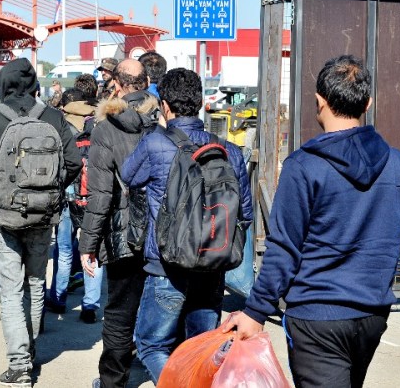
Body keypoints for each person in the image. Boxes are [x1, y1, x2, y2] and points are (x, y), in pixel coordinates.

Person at [222, 55, 400, 388]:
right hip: (372, 315)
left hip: (316, 317)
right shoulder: (399, 166)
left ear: (320, 101)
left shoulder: (303, 167)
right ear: (367, 103)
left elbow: (284, 248)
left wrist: (256, 311)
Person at [121, 68, 253, 384]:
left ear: (164, 104)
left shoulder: (154, 144)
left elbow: (128, 176)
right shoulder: (228, 150)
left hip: (166, 264)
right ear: (200, 102)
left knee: (151, 344)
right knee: (203, 347)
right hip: (212, 264)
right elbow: (245, 211)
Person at [0, 58, 81, 386]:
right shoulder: (53, 116)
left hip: (5, 214)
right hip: (44, 214)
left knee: (11, 287)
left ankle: (19, 365)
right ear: (34, 85)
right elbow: (73, 161)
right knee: (34, 282)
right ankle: (30, 351)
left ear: (3, 84)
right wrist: (50, 187)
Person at [79, 59, 159, 388]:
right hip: (162, 230)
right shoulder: (163, 120)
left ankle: (113, 381)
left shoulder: (105, 128)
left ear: (118, 85)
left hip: (122, 232)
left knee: (118, 311)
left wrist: (88, 246)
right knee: (160, 306)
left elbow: (100, 194)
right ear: (147, 82)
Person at [47, 88, 105, 324]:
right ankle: (90, 305)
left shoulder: (61, 122)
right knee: (94, 251)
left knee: (64, 249)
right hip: (95, 197)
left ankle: (59, 298)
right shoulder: (104, 123)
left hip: (67, 197)